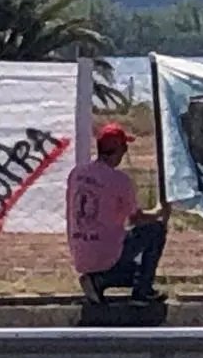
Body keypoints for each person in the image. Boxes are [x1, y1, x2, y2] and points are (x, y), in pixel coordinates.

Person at [66, 123, 170, 306]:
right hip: (106, 253)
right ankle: (141, 291)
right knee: (155, 230)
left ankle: (97, 280)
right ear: (120, 149)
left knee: (132, 261)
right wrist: (159, 212)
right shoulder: (120, 180)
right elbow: (136, 218)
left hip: (81, 255)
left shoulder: (77, 174)